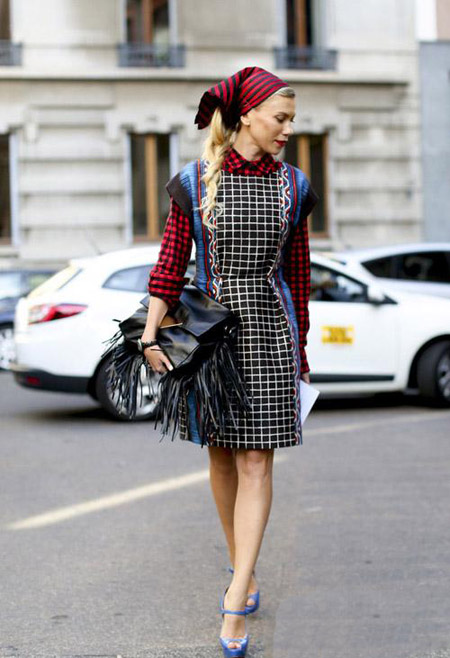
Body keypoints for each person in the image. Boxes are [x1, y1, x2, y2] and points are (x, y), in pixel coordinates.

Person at [140, 66, 318, 657]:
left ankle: (236, 594)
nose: (288, 130)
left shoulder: (295, 186)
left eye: (292, 121)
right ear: (247, 115)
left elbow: (298, 278)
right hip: (211, 338)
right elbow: (169, 266)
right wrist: (149, 335)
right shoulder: (194, 182)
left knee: (256, 463)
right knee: (220, 457)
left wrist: (301, 348)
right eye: (281, 119)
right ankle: (244, 564)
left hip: (270, 333)